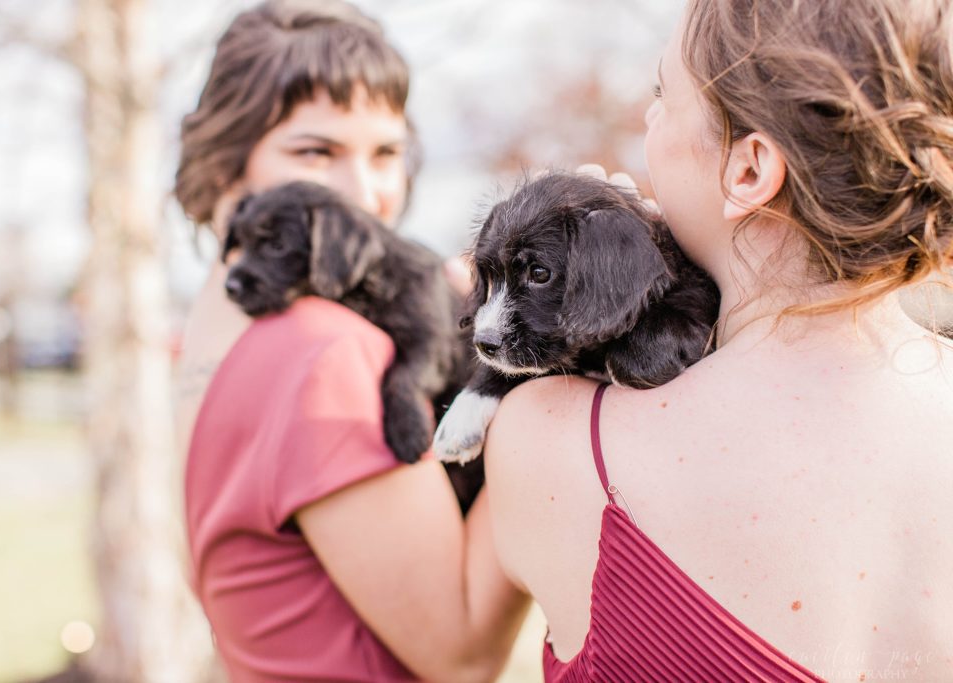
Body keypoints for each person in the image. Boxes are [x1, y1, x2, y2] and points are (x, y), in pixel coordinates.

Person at [484, 0, 953, 681]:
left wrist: (591, 288)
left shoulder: (557, 437)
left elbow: (448, 645)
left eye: (660, 96)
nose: (646, 121)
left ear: (749, 170)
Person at [172, 2, 529, 681]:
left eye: (386, 153)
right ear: (226, 164)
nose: (363, 193)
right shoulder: (326, 352)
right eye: (314, 151)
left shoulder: (215, 326)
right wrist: (534, 400)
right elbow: (461, 655)